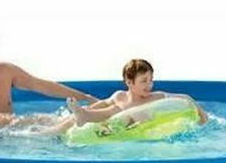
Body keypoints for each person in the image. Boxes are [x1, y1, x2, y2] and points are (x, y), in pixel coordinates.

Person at [0, 23, 98, 128]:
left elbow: (41, 85)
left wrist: (84, 97)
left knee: (68, 124)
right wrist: (35, 122)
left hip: (9, 131)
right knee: (58, 126)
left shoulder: (4, 70)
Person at [42, 58, 208, 136]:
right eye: (144, 81)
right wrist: (84, 110)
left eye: (151, 80)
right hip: (109, 124)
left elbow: (185, 97)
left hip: (132, 126)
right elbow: (101, 104)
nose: (149, 85)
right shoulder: (120, 96)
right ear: (129, 82)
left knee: (115, 111)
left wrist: (202, 115)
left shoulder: (156, 98)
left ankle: (84, 116)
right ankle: (56, 129)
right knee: (110, 109)